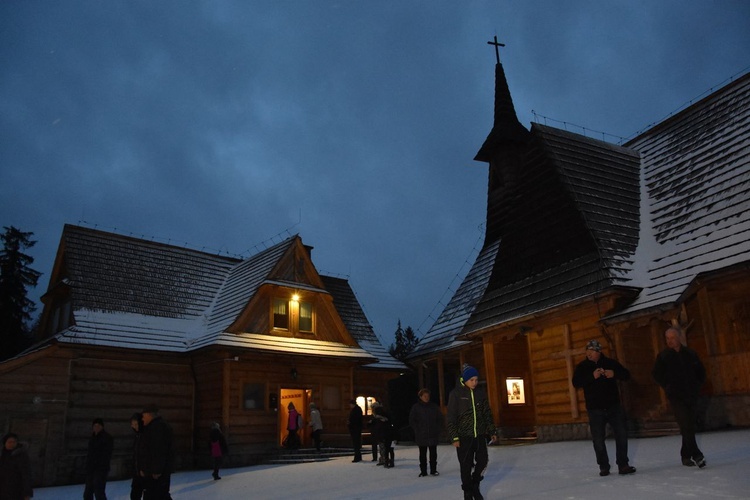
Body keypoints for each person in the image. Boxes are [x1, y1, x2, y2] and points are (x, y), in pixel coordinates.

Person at [572, 339, 636, 477]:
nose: (589, 354)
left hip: (613, 406)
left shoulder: (610, 363)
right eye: (587, 351)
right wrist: (592, 377)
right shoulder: (582, 367)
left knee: (621, 435)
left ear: (599, 351)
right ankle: (603, 466)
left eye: (592, 351)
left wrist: (614, 374)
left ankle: (623, 464)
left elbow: (626, 375)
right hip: (595, 409)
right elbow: (576, 383)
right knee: (598, 439)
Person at [652, 326, 708, 468]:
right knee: (685, 424)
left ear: (679, 338)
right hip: (676, 396)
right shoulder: (664, 356)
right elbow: (656, 374)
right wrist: (668, 385)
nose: (670, 341)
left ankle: (685, 455)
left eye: (672, 338)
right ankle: (697, 455)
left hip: (691, 395)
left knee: (688, 425)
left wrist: (696, 386)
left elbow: (700, 372)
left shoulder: (690, 354)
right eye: (667, 338)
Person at [447, 364, 497, 500]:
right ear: (465, 379)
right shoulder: (456, 394)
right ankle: (468, 493)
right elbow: (451, 416)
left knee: (483, 461)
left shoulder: (480, 393)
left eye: (476, 380)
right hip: (464, 437)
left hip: (479, 435)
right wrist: (454, 437)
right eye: (472, 380)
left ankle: (475, 484)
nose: (474, 383)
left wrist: (492, 430)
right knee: (466, 465)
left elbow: (487, 413)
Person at [138, 405, 174, 500]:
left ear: (149, 415)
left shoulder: (157, 427)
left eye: (143, 416)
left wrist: (157, 470)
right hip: (153, 471)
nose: (142, 419)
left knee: (157, 495)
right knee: (158, 495)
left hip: (156, 474)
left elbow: (159, 450)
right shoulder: (153, 427)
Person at [409, 388, 443, 477]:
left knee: (433, 454)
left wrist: (437, 429)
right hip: (421, 435)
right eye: (425, 396)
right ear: (420, 397)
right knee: (422, 454)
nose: (427, 398)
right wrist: (417, 429)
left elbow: (440, 419)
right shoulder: (416, 407)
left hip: (432, 434)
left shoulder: (434, 406)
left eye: (428, 396)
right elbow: (412, 420)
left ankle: (433, 470)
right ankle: (423, 471)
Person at [83, 417, 114, 500]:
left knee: (99, 492)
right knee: (87, 493)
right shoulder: (92, 438)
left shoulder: (107, 438)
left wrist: (100, 464)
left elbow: (107, 454)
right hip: (91, 469)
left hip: (101, 469)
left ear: (102, 427)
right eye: (95, 426)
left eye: (98, 425)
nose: (96, 427)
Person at [0, 432, 33, 500]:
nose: (12, 444)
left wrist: (27, 493)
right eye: (9, 442)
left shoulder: (21, 456)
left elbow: (26, 475)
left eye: (14, 442)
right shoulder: (2, 455)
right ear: (5, 443)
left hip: (16, 492)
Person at [129, 413, 145, 500]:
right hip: (137, 472)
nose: (134, 427)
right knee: (134, 495)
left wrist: (143, 468)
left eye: (136, 424)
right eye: (133, 424)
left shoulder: (144, 435)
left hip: (144, 472)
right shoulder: (137, 436)